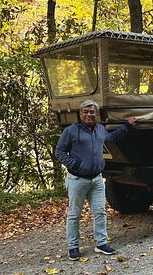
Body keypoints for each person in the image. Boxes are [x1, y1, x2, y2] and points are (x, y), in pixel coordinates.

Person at [55, 99, 136, 260]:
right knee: (74, 214)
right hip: (77, 179)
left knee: (100, 212)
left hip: (97, 179)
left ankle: (101, 243)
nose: (89, 115)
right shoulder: (71, 131)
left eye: (92, 112)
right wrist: (75, 164)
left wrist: (127, 126)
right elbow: (60, 152)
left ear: (96, 114)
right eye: (85, 112)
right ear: (80, 114)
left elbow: (111, 138)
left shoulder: (100, 129)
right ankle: (73, 247)